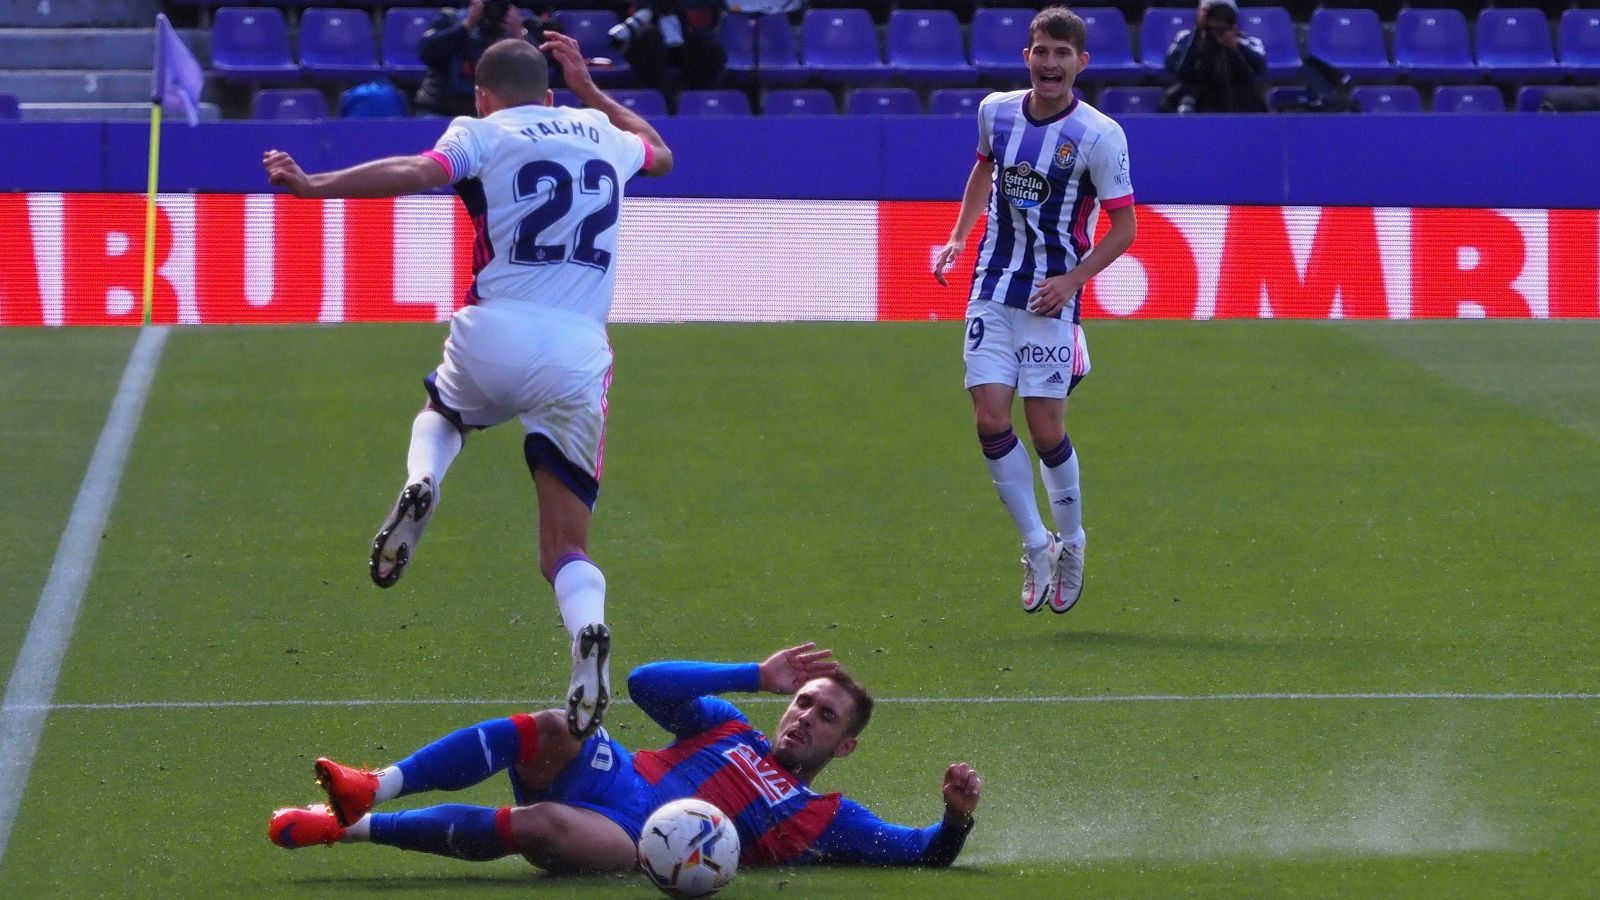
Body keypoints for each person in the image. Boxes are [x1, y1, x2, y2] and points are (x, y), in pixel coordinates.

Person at [261, 34, 674, 739]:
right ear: (551, 92)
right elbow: (662, 155)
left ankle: (425, 482)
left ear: (482, 95)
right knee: (565, 549)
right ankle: (590, 627)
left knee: (445, 413)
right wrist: (592, 90)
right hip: (579, 350)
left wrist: (316, 186)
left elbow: (415, 171)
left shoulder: (479, 132)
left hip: (496, 328)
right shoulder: (602, 131)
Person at [267, 643, 983, 872]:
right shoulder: (730, 727)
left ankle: (346, 829)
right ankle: (375, 784)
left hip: (636, 841)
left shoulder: (821, 814)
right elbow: (644, 685)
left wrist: (953, 821)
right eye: (803, 703)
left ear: (845, 745)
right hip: (621, 778)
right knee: (555, 725)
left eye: (824, 717)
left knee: (545, 823)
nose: (803, 718)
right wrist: (751, 676)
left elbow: (916, 851)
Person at [932, 6, 1137, 616]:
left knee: (1046, 429)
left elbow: (1123, 228)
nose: (1051, 64)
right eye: (1041, 52)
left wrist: (1072, 280)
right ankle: (1035, 544)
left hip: (1052, 296)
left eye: (1062, 54)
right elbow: (983, 170)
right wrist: (959, 235)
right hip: (992, 285)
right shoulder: (995, 111)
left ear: (1081, 62)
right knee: (990, 417)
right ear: (1028, 56)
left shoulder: (1100, 135)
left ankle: (1072, 541)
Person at [413, 0, 558, 118]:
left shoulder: (518, 29)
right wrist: (467, 25)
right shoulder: (450, 19)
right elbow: (426, 52)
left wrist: (519, 36)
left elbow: (539, 71)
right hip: (442, 109)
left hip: (498, 116)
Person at [1162, 0, 1268, 114]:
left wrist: (1236, 47)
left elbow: (1259, 67)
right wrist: (1198, 35)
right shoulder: (1185, 38)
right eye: (1212, 13)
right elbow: (1177, 70)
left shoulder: (1248, 42)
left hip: (1236, 97)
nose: (1218, 19)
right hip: (1196, 96)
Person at [610, 1, 728, 92]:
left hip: (676, 49)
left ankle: (698, 97)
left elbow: (685, 35)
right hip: (642, 51)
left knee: (708, 48)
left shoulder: (676, 8)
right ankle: (656, 95)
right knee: (650, 35)